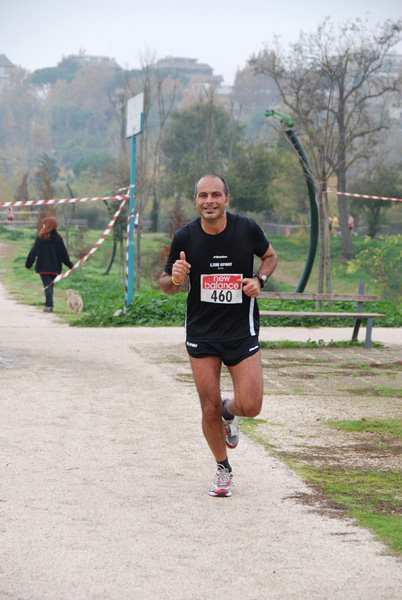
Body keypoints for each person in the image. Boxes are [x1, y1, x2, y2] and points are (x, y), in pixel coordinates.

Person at [159, 173, 277, 497]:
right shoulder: (184, 236)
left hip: (241, 329)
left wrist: (260, 280)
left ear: (227, 198)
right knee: (207, 406)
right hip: (203, 331)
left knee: (251, 406)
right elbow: (165, 284)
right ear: (195, 200)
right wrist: (176, 278)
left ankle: (230, 412)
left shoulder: (247, 229)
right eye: (202, 196)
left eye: (215, 194)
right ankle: (223, 468)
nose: (209, 201)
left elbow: (270, 257)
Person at [25, 216, 74, 312]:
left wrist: (28, 264)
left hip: (43, 267)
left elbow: (33, 251)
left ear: (47, 225)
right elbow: (64, 253)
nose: (43, 225)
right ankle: (49, 304)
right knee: (50, 286)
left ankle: (48, 305)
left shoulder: (41, 237)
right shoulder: (59, 239)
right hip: (55, 267)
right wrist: (70, 264)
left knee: (47, 285)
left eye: (44, 223)